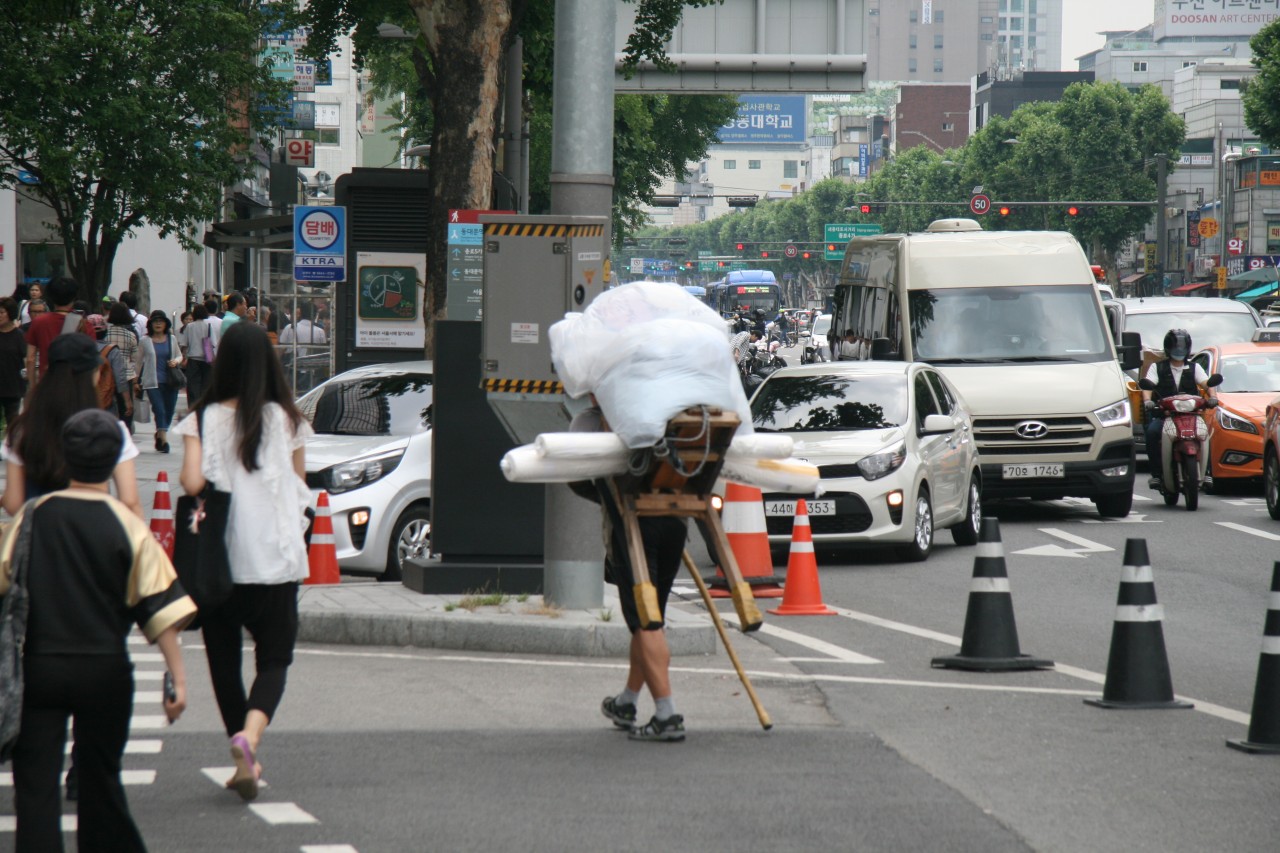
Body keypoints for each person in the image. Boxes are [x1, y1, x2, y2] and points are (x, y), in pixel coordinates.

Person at [2, 408, 194, 853]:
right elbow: (160, 607)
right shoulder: (128, 526)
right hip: (106, 670)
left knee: (35, 786)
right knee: (100, 781)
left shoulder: (32, 517)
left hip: (40, 667)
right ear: (113, 464)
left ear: (63, 457)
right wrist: (178, 680)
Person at [174, 322, 315, 801]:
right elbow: (301, 486)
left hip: (220, 562)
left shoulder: (202, 417)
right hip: (276, 558)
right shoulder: (288, 419)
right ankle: (249, 739)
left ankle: (241, 748)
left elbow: (192, 483)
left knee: (224, 661)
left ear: (223, 363)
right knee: (274, 658)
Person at [569, 401, 688, 743]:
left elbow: (575, 477)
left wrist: (604, 493)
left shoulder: (593, 419)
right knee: (651, 621)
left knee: (645, 623)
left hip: (633, 526)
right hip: (676, 519)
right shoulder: (671, 410)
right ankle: (627, 701)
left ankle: (666, 714)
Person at [2, 333, 143, 517]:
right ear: (94, 373)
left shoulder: (23, 428)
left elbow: (13, 503)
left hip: (38, 529)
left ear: (49, 371)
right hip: (92, 528)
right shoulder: (111, 429)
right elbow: (130, 501)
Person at [1142, 328, 1219, 491]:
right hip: (1165, 415)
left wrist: (1213, 397)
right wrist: (1147, 401)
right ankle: (1157, 475)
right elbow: (1148, 386)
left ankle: (1207, 472)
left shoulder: (1195, 367)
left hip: (1191, 415)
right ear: (1168, 348)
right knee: (1152, 432)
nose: (1179, 350)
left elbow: (1207, 383)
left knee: (1204, 434)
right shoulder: (1157, 367)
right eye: (1176, 347)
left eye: (1182, 347)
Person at [24, 276, 90, 387]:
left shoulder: (39, 322)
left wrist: (32, 387)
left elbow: (30, 358)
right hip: (75, 386)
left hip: (47, 384)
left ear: (50, 296)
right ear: (74, 297)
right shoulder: (84, 324)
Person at [139, 310, 183, 453]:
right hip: (152, 381)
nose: (158, 324)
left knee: (169, 410)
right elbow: (138, 361)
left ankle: (160, 432)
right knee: (159, 409)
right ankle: (163, 440)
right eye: (155, 321)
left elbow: (180, 356)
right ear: (150, 324)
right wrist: (135, 380)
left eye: (161, 321)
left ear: (166, 324)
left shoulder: (172, 339)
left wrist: (175, 361)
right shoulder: (145, 341)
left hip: (170, 381)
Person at [86, 313, 132, 419]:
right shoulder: (112, 351)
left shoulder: (78, 349)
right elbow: (120, 378)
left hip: (82, 401)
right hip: (106, 402)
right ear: (105, 331)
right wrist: (127, 401)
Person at [106, 302, 140, 434]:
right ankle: (125, 433)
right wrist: (136, 380)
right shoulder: (130, 335)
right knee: (126, 408)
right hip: (126, 376)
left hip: (107, 374)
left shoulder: (106, 334)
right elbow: (135, 359)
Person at [179, 303, 215, 407]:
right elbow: (213, 343)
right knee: (205, 386)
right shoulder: (208, 325)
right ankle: (204, 406)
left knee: (193, 387)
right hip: (206, 359)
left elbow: (184, 344)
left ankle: (193, 407)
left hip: (193, 360)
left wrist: (183, 357)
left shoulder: (189, 326)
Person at [0, 297, 27, 433]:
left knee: (13, 424)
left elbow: (26, 359)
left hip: (13, 386)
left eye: (1, 312)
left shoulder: (19, 336)